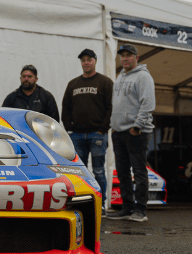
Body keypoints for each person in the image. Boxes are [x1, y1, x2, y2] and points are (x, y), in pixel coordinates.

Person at [107, 44, 155, 222]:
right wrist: (114, 125)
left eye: (129, 55)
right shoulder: (120, 76)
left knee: (139, 171)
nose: (125, 58)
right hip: (119, 131)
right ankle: (127, 208)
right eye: (123, 56)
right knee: (122, 172)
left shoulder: (143, 77)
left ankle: (140, 210)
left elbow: (148, 104)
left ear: (137, 57)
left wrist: (137, 126)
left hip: (136, 132)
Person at [61, 49, 114, 213]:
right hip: (76, 135)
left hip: (97, 134)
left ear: (95, 61)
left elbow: (111, 107)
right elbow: (66, 108)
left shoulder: (105, 82)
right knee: (79, 172)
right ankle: (82, 205)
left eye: (89, 59)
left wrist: (102, 129)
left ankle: (101, 205)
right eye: (83, 60)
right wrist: (69, 129)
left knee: (98, 171)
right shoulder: (73, 84)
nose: (86, 62)